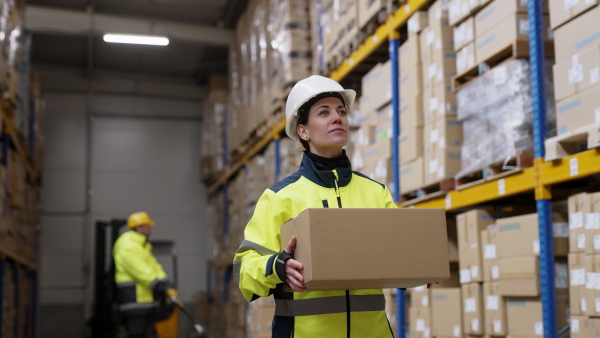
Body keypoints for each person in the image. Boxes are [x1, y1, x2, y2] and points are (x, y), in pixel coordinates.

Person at [233, 75, 399, 337]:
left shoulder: (376, 192)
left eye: (341, 111)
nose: (338, 118)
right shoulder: (280, 197)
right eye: (324, 112)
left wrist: (423, 264)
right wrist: (277, 266)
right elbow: (244, 271)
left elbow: (399, 253)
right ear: (303, 131)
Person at [113, 211, 177, 338]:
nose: (150, 230)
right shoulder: (127, 244)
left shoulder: (143, 246)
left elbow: (154, 267)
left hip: (145, 301)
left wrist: (166, 283)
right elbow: (139, 270)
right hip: (133, 300)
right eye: (147, 227)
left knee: (149, 334)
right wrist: (160, 285)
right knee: (137, 334)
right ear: (139, 228)